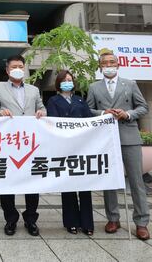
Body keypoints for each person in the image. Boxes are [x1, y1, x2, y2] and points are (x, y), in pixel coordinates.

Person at [86, 49, 150, 240]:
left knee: (136, 181)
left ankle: (141, 222)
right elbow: (88, 109)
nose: (108, 66)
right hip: (106, 139)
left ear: (118, 64)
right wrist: (102, 113)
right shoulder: (94, 87)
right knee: (109, 181)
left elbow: (143, 107)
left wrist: (128, 114)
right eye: (104, 63)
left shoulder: (130, 84)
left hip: (129, 137)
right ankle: (113, 218)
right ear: (100, 67)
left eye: (111, 62)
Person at [0, 55, 46, 236]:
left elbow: (42, 108)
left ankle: (31, 219)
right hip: (9, 143)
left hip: (30, 143)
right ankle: (10, 219)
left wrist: (41, 112)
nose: (17, 69)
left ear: (24, 68)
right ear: (7, 70)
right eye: (13, 67)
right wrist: (0, 112)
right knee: (7, 183)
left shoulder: (34, 90)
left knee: (32, 182)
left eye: (20, 66)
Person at [46, 70, 94, 236]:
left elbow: (89, 120)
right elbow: (53, 121)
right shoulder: (53, 101)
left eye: (70, 79)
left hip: (82, 147)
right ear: (59, 83)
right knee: (68, 185)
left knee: (85, 185)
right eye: (64, 80)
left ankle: (87, 223)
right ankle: (71, 222)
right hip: (65, 147)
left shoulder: (80, 100)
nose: (68, 82)